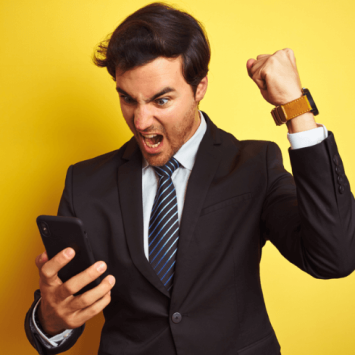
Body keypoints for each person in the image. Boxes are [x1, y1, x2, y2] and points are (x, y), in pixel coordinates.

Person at [25, 3, 355, 355]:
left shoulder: (254, 165)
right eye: (127, 99)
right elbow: (62, 309)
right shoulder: (85, 183)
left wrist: (295, 106)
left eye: (161, 100)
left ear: (199, 88)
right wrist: (50, 318)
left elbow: (334, 256)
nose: (140, 121)